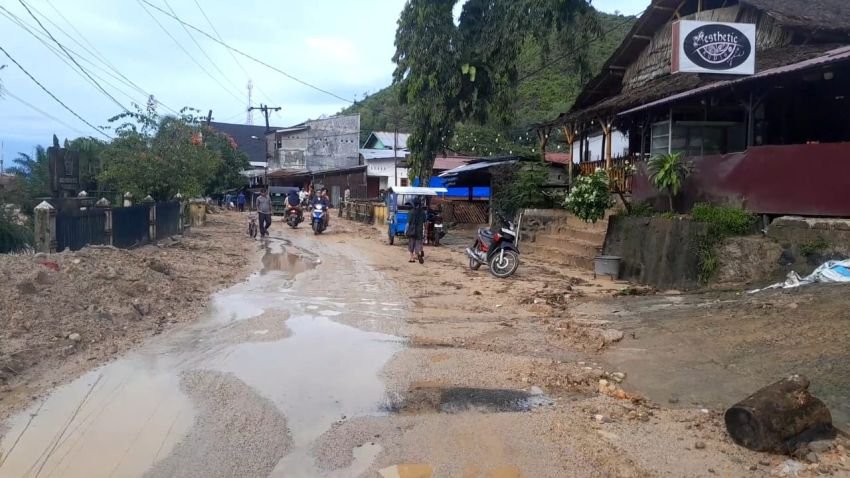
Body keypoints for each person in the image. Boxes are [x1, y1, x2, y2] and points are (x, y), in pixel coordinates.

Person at [406, 198, 426, 264]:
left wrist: (405, 230)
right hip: (419, 231)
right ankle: (418, 254)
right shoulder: (423, 212)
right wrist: (425, 231)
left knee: (411, 244)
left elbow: (408, 223)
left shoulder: (411, 212)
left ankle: (412, 259)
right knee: (418, 244)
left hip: (412, 231)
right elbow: (425, 222)